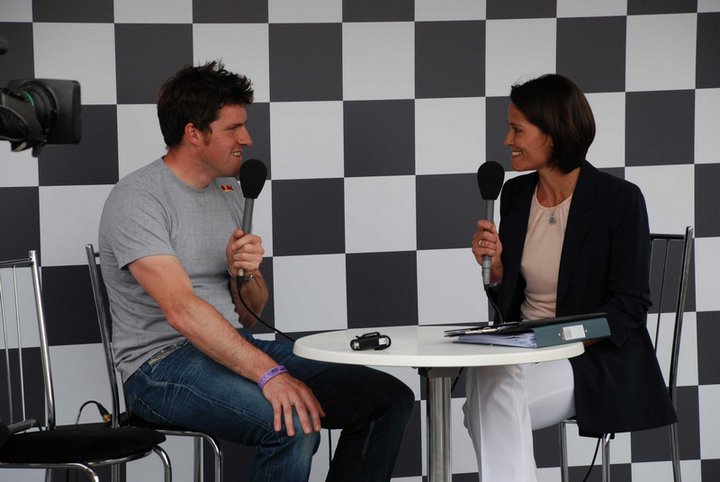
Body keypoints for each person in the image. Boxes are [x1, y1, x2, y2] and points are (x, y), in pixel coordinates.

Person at [98, 61, 414, 482]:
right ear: (194, 132)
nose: (246, 139)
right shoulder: (137, 199)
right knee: (292, 424)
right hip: (159, 368)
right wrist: (270, 374)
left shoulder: (229, 190)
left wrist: (244, 274)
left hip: (229, 343)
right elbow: (181, 310)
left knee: (387, 398)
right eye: (234, 128)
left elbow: (247, 315)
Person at [463, 74, 676, 481]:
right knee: (489, 382)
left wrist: (552, 337)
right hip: (524, 346)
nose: (507, 140)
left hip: (593, 356)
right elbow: (511, 300)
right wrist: (499, 272)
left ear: (554, 135)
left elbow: (630, 306)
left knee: (484, 409)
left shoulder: (619, 200)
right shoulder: (516, 195)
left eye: (517, 129)